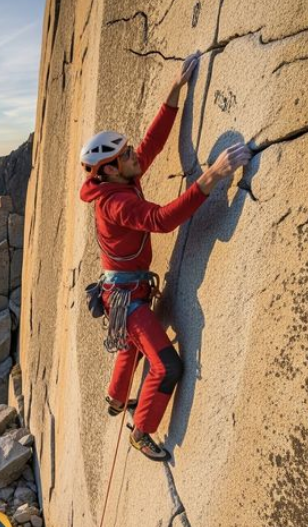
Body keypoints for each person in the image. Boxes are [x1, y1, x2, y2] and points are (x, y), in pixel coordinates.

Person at [78, 51, 252, 461]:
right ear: (108, 170)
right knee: (167, 365)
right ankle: (141, 431)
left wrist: (174, 91)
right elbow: (160, 220)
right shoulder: (115, 203)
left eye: (126, 150)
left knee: (130, 343)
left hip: (124, 292)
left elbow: (151, 145)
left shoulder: (117, 180)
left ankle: (115, 398)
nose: (132, 155)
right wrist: (212, 176)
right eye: (124, 155)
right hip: (128, 299)